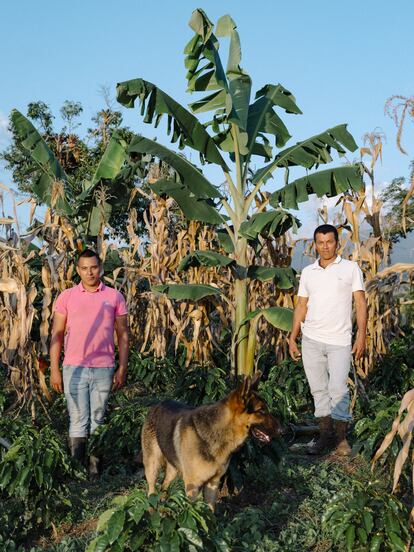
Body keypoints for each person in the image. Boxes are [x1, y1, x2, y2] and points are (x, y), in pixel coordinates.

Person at [49, 248, 129, 478]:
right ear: (78, 270)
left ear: (101, 268)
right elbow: (57, 333)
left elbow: (123, 335)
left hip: (104, 368)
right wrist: (54, 369)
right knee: (77, 419)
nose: (90, 272)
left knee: (97, 419)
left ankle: (94, 472)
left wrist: (122, 367)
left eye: (93, 267)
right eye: (84, 268)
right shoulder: (66, 297)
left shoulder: (114, 297)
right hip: (73, 368)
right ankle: (77, 472)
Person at [288, 224, 367, 456]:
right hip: (311, 339)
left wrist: (361, 335)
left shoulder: (351, 268)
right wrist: (292, 337)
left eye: (329, 242)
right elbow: (301, 305)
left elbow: (361, 303)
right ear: (316, 244)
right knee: (319, 391)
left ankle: (341, 440)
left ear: (337, 243)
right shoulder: (309, 272)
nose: (325, 246)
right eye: (320, 242)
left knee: (338, 389)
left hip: (340, 340)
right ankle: (324, 438)